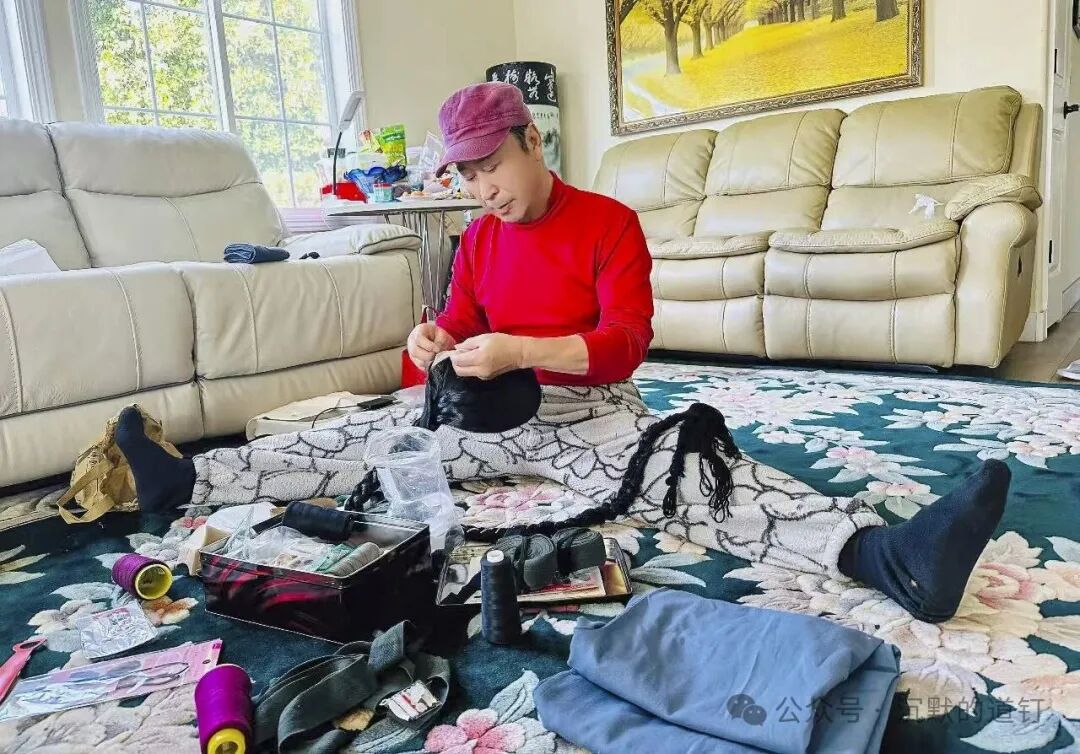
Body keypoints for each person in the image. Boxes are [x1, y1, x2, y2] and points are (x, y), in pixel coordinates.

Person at [116, 82, 1011, 624]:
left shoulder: (610, 224)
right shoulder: (477, 238)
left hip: (590, 411)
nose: (481, 188)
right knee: (363, 435)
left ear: (532, 142)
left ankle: (887, 558)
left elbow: (625, 344)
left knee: (687, 468)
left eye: (491, 166)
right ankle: (187, 482)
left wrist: (522, 350)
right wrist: (430, 345)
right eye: (466, 174)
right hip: (481, 417)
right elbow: (450, 335)